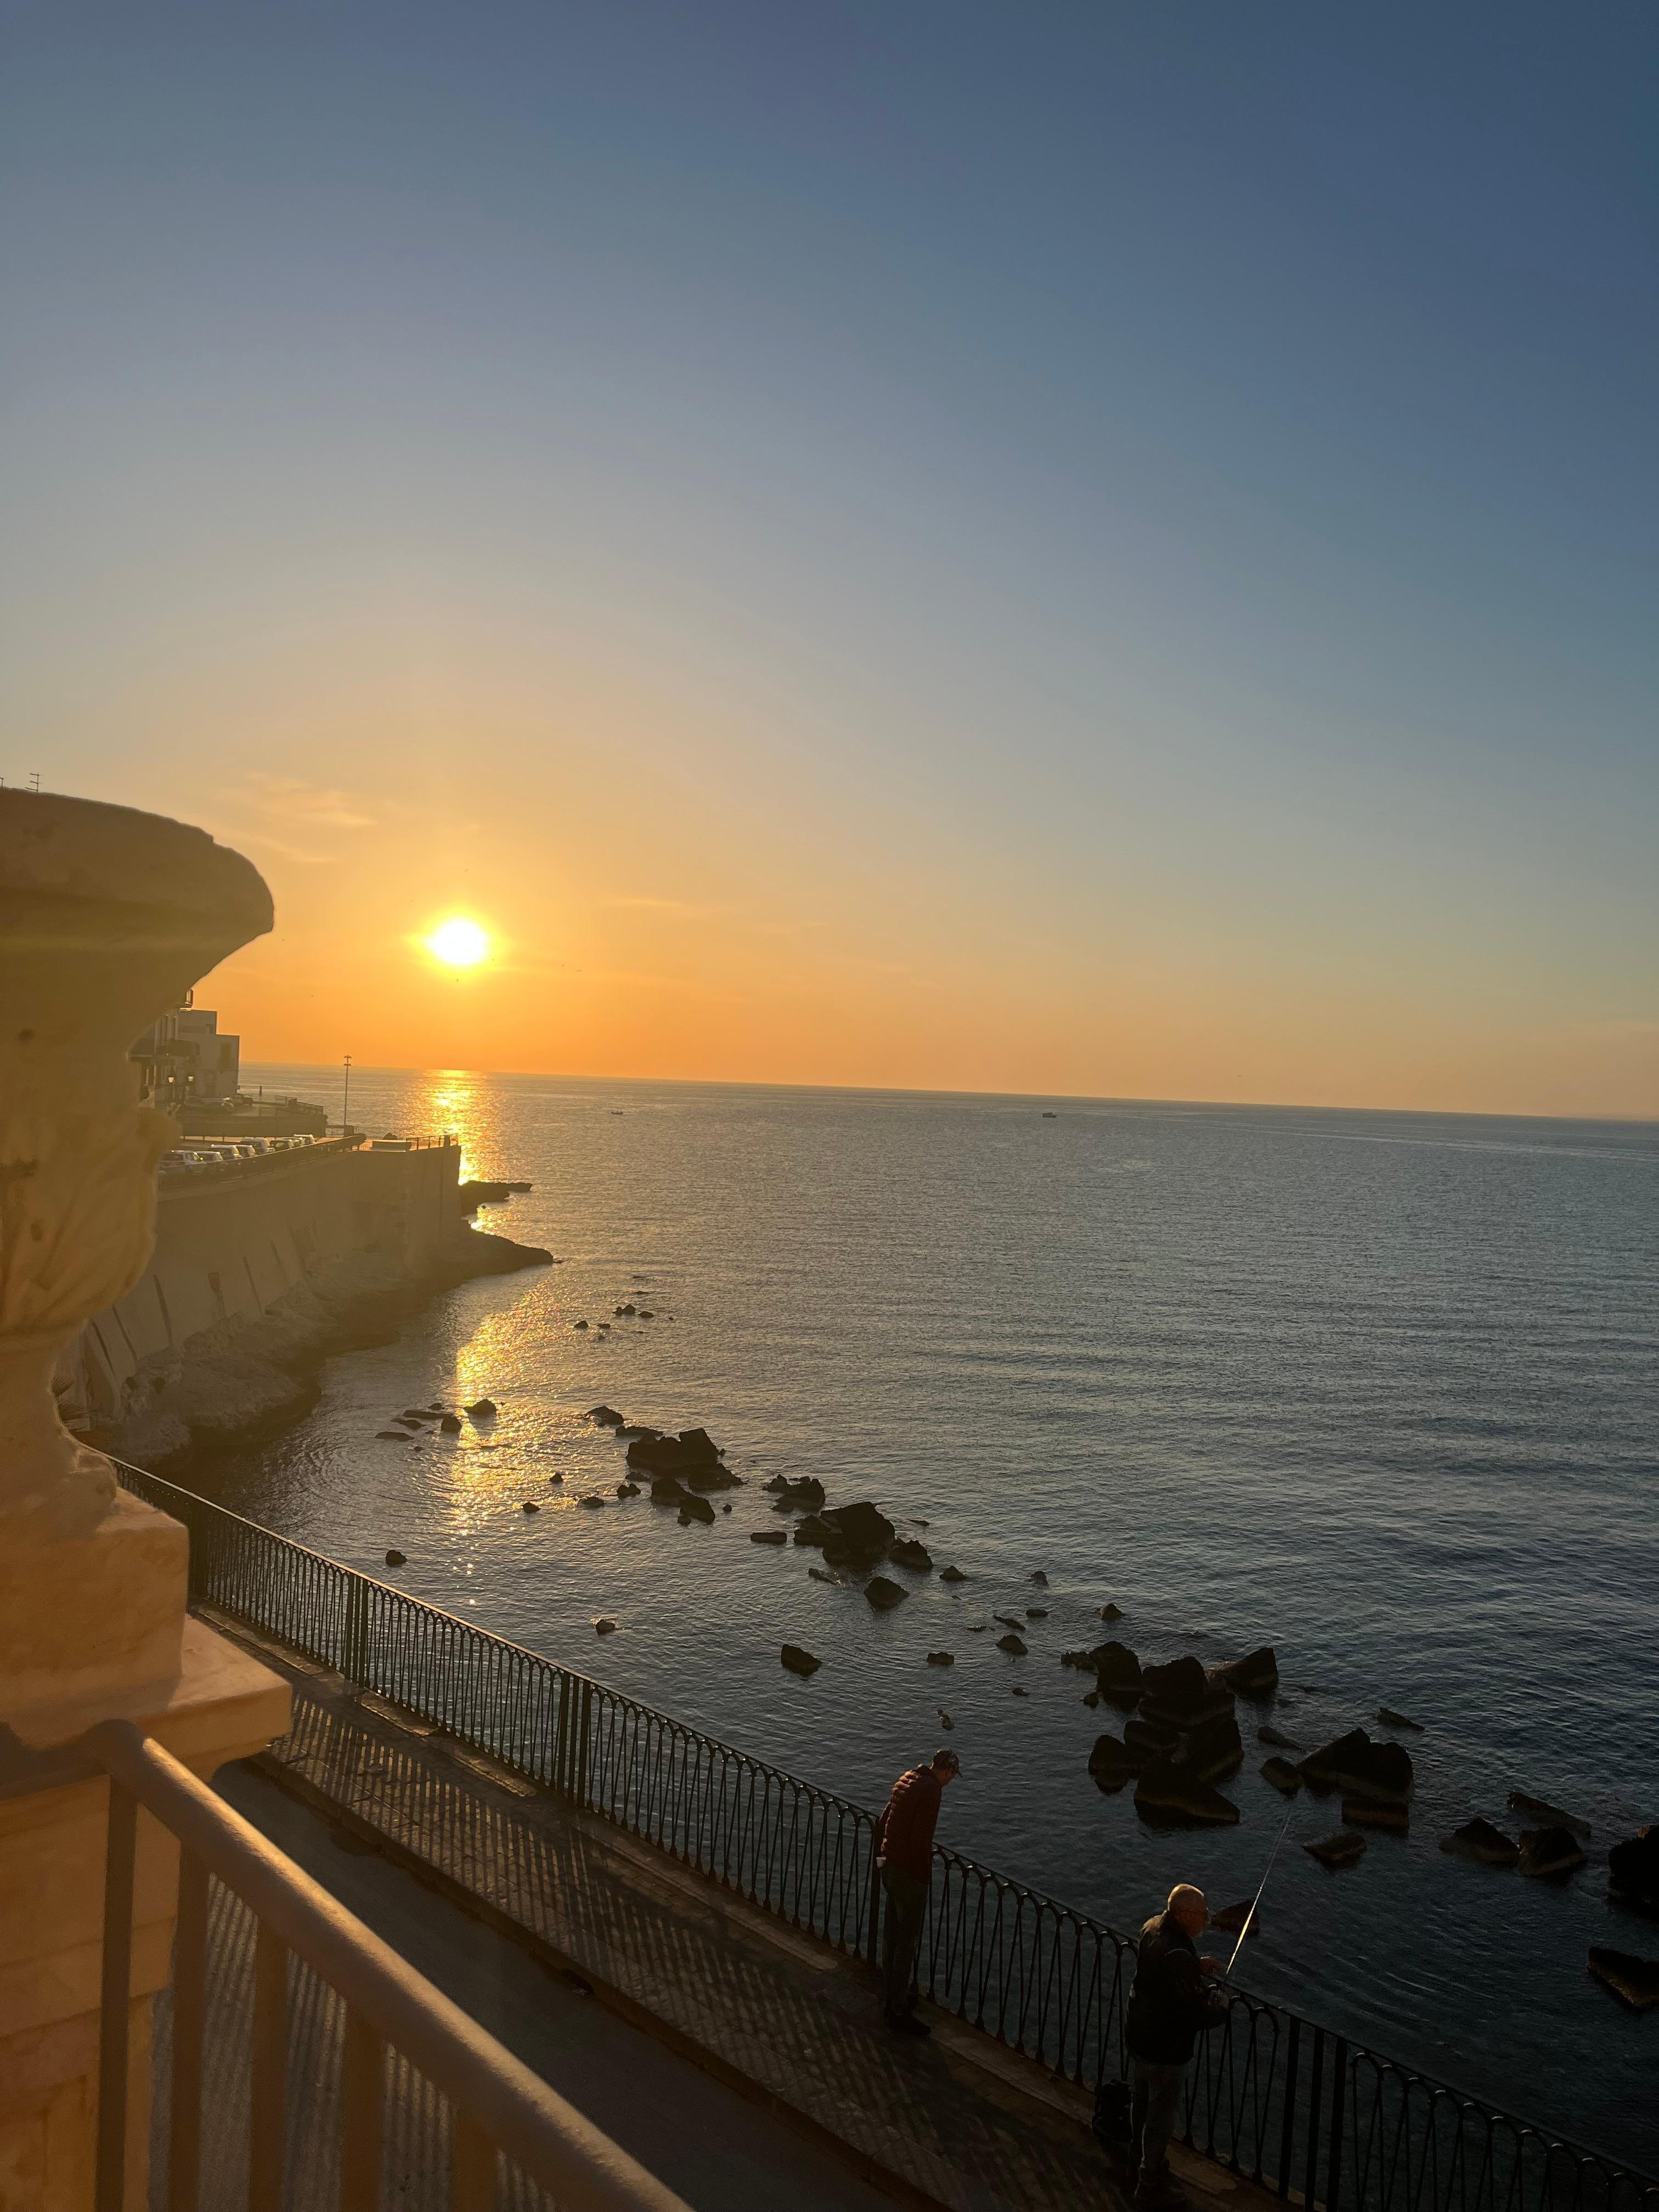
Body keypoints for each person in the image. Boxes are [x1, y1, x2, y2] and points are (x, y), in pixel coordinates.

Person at [1123, 1883, 1228, 2207]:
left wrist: (1194, 1965)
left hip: (1139, 2035)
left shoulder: (1152, 1928)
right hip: (1165, 2049)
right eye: (1202, 1914)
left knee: (1141, 2103)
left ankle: (1136, 2160)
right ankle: (1149, 2183)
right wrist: (1220, 2008)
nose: (1206, 1920)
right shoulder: (1178, 1953)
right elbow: (1190, 2013)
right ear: (1184, 1916)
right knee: (1161, 2117)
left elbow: (1160, 1976)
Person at [873, 1747, 960, 2034]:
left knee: (891, 1935)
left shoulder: (907, 1778)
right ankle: (897, 2010)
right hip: (907, 1875)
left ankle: (891, 1994)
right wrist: (923, 1877)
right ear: (947, 1772)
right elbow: (920, 1841)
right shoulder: (932, 1791)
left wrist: (881, 1858)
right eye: (952, 1776)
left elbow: (882, 1823)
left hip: (889, 1867)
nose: (950, 1781)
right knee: (906, 1943)